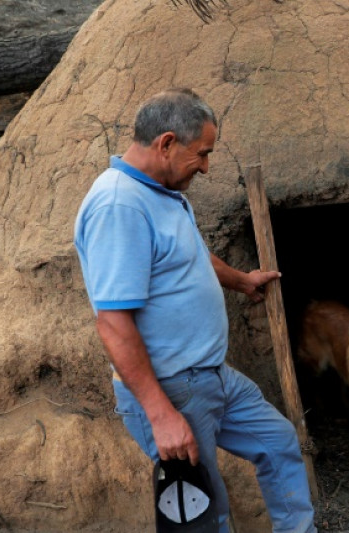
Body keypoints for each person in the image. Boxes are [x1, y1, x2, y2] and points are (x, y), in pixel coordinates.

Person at [74, 88, 317, 533]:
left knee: (278, 441)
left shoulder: (161, 193)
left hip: (211, 376)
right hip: (171, 389)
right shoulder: (119, 206)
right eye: (202, 154)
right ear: (166, 143)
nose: (206, 166)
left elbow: (192, 257)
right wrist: (162, 414)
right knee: (205, 514)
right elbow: (112, 323)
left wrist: (242, 281)